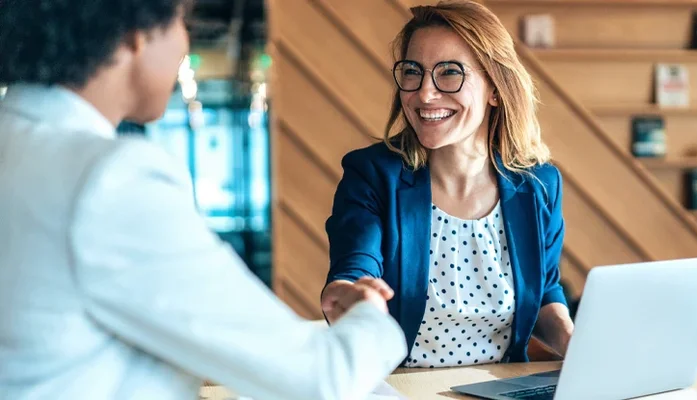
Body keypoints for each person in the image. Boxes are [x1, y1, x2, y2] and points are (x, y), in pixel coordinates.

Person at [0, 1, 406, 399]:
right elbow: (321, 378)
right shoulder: (109, 180)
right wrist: (370, 313)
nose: (185, 43)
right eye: (181, 21)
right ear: (135, 36)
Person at [320, 0, 575, 368]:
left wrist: (573, 340)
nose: (425, 94)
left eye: (450, 73)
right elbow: (353, 269)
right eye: (413, 72)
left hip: (501, 389)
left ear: (495, 88)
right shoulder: (372, 174)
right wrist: (349, 297)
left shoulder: (539, 185)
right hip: (400, 389)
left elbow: (546, 289)